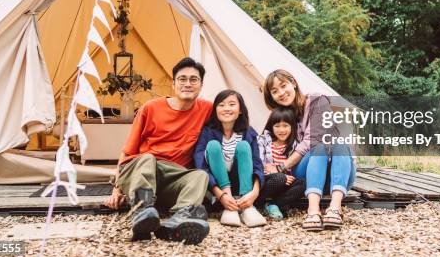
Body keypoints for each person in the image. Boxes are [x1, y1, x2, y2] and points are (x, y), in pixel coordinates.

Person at [103, 57, 212, 245]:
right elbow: (128, 152)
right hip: (141, 170)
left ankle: (179, 219)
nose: (187, 84)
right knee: (147, 159)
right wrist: (117, 189)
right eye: (182, 79)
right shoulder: (151, 107)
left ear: (201, 86)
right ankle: (141, 209)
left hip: (172, 177)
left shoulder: (207, 109)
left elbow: (235, 115)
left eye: (193, 80)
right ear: (173, 84)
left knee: (200, 176)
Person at [263, 69, 355, 231]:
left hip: (338, 176)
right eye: (275, 91)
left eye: (283, 86)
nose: (281, 93)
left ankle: (335, 207)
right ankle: (313, 211)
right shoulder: (284, 116)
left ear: (293, 82)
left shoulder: (317, 100)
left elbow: (311, 139)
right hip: (307, 176)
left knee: (339, 142)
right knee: (318, 149)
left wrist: (281, 167)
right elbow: (267, 139)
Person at [193, 89, 266, 228]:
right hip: (218, 188)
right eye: (221, 105)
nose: (226, 108)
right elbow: (200, 165)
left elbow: (257, 164)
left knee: (244, 146)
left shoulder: (248, 133)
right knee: (213, 146)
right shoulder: (207, 132)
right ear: (215, 110)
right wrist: (221, 196)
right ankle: (229, 206)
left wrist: (254, 193)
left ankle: (246, 207)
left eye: (232, 104)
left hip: (243, 186)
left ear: (240, 110)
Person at [256, 107, 306, 219]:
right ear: (271, 127)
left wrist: (285, 176)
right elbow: (259, 164)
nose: (281, 130)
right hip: (269, 181)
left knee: (304, 183)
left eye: (285, 126)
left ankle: (273, 205)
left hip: (286, 183)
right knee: (279, 178)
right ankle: (256, 203)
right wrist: (278, 174)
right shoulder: (263, 141)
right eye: (277, 126)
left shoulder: (296, 145)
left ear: (292, 127)